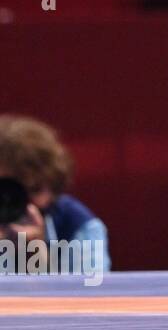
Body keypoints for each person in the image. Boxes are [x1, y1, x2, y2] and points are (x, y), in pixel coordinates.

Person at [0, 114, 110, 274]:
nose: (20, 202)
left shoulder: (77, 224)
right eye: (7, 190)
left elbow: (90, 294)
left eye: (34, 189)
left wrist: (36, 253)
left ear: (53, 186)